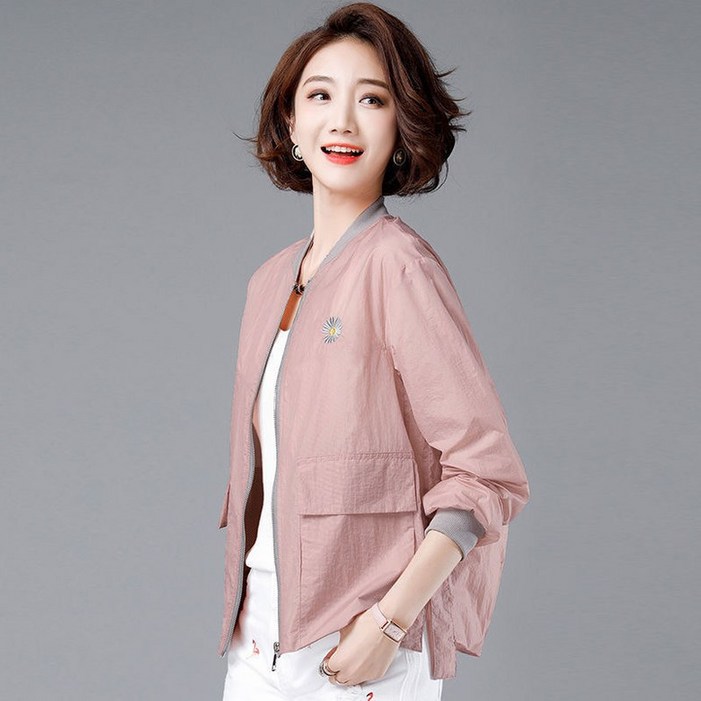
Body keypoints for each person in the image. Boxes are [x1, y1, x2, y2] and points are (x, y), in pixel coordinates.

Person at [219, 3, 530, 699]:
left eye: (372, 100)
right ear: (290, 123)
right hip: (258, 632)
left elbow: (486, 474)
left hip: (362, 641)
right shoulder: (269, 281)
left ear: (400, 126)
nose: (343, 121)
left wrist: (389, 623)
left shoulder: (399, 267)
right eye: (319, 96)